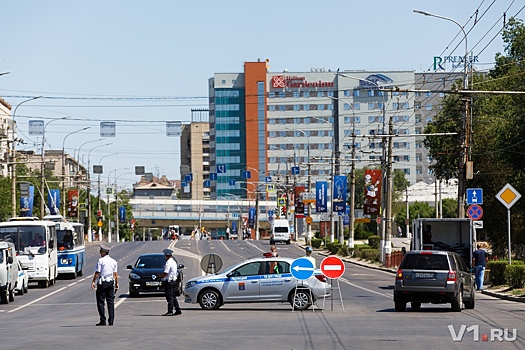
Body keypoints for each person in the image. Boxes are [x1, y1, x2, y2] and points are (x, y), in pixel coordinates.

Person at [91, 244, 118, 326]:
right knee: (111, 302)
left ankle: (103, 320)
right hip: (110, 283)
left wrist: (93, 281)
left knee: (100, 302)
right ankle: (111, 321)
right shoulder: (113, 261)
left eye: (100, 251)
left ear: (103, 252)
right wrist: (117, 284)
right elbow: (115, 274)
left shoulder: (101, 261)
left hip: (102, 283)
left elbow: (97, 272)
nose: (100, 252)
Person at [158, 249, 182, 316]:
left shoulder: (168, 263)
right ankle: (178, 309)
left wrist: (160, 276)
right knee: (173, 296)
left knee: (169, 297)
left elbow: (166, 272)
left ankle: (170, 311)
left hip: (169, 281)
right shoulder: (173, 262)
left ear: (166, 255)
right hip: (173, 280)